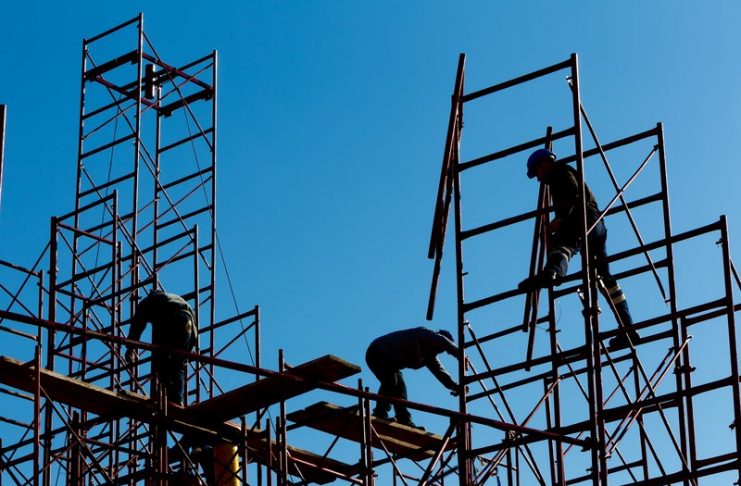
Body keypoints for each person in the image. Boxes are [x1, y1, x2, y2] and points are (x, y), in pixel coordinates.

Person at [518, 149, 639, 349]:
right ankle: (628, 329)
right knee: (605, 279)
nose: (538, 179)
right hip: (597, 225)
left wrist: (560, 219)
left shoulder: (560, 172)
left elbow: (573, 194)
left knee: (563, 244)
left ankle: (553, 272)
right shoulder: (562, 174)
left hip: (584, 221)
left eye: (536, 172)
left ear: (544, 163)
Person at [365, 327, 459, 428]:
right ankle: (380, 413)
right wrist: (459, 354)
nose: (438, 350)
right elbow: (442, 341)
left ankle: (404, 419)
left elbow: (440, 373)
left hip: (391, 363)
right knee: (391, 381)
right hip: (378, 351)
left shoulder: (430, 356)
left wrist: (455, 386)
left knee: (400, 389)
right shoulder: (424, 333)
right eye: (440, 347)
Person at [125, 289, 198, 404]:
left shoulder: (149, 301)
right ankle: (177, 400)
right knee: (178, 362)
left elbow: (137, 325)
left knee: (162, 359)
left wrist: (130, 348)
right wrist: (190, 350)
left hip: (170, 317)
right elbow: (193, 329)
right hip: (186, 321)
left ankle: (166, 397)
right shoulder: (176, 299)